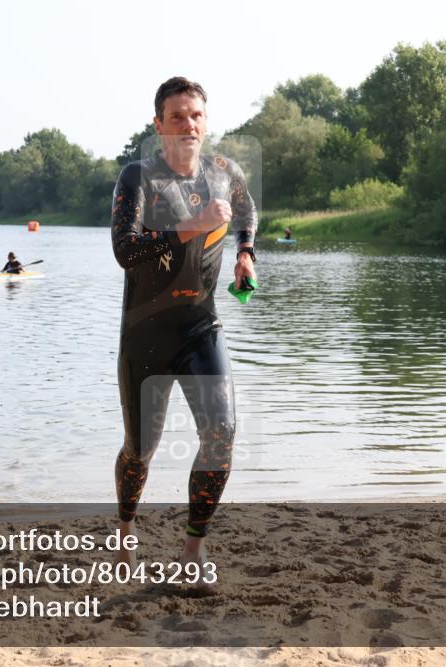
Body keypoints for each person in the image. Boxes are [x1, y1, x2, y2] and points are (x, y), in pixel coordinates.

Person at [111, 76, 257, 583]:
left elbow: (247, 209)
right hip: (145, 335)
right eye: (177, 117)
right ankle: (126, 532)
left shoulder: (223, 174)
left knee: (222, 434)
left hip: (201, 327)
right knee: (140, 451)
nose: (188, 124)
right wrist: (189, 227)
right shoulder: (138, 177)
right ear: (159, 125)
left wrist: (245, 252)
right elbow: (125, 250)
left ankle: (191, 555)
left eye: (195, 115)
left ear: (206, 121)